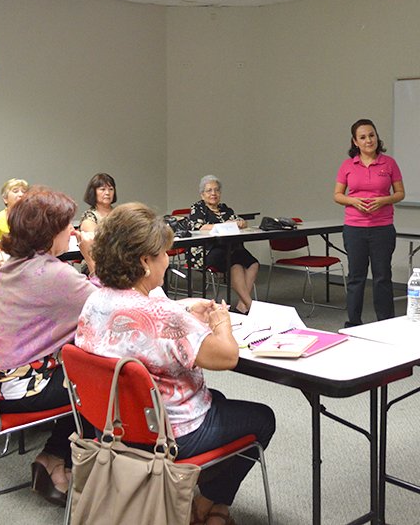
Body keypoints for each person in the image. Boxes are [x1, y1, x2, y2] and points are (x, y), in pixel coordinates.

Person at [76, 203, 275, 525]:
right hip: (167, 433)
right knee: (262, 418)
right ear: (144, 261)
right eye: (164, 253)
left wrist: (182, 310)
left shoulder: (96, 298)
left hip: (112, 423)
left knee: (221, 403)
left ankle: (208, 504)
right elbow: (226, 356)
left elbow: (145, 318)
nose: (168, 259)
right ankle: (208, 505)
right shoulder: (161, 316)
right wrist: (221, 319)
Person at [0, 187, 96, 505]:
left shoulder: (14, 264)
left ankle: (52, 458)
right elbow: (105, 306)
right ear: (48, 233)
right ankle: (59, 460)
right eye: (66, 226)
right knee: (103, 382)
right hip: (18, 388)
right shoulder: (53, 273)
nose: (72, 231)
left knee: (80, 369)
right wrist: (92, 260)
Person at [334, 119, 405, 327]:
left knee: (382, 276)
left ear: (377, 136)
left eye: (371, 135)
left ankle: (385, 323)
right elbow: (337, 195)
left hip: (382, 228)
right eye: (363, 137)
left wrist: (384, 200)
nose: (368, 140)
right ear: (355, 141)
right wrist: (353, 201)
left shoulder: (389, 163)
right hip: (354, 229)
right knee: (356, 277)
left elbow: (400, 193)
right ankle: (353, 323)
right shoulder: (347, 165)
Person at [188, 175, 259, 313]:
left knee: (253, 264)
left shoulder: (226, 209)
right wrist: (222, 225)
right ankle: (250, 305)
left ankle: (242, 305)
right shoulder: (198, 208)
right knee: (235, 264)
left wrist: (241, 223)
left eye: (216, 190)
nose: (213, 194)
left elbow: (240, 221)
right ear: (202, 194)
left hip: (230, 248)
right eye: (209, 190)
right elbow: (198, 227)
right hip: (208, 250)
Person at [0, 178, 28, 250]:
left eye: (24, 192)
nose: (21, 194)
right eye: (15, 191)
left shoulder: (35, 216)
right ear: (5, 199)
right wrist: (13, 245)